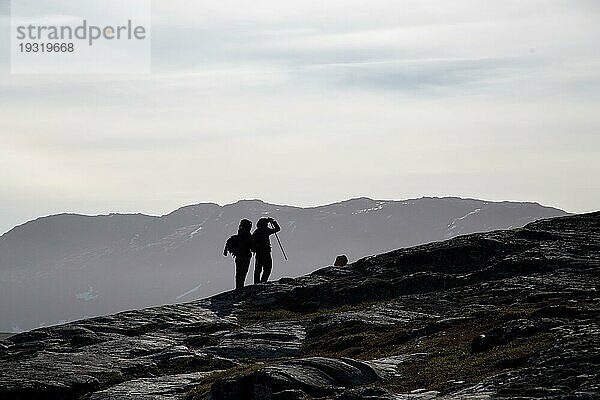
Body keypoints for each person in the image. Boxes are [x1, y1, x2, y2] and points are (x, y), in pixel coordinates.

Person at [223, 219, 254, 289]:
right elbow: (252, 246)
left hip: (238, 256)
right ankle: (241, 287)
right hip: (246, 256)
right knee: (243, 272)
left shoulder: (238, 235)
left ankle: (238, 287)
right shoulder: (248, 235)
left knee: (238, 272)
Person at [252, 217, 281, 283]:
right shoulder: (265, 230)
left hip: (258, 253)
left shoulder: (256, 232)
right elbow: (277, 229)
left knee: (258, 269)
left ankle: (256, 283)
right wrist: (273, 221)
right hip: (266, 252)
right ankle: (263, 281)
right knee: (268, 268)